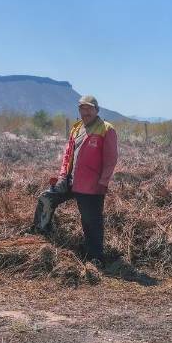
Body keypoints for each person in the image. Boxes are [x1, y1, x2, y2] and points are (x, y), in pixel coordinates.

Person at [32, 94, 118, 265]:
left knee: (90, 220)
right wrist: (63, 176)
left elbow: (111, 159)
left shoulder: (106, 129)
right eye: (82, 108)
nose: (85, 112)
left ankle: (95, 257)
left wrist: (103, 182)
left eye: (89, 108)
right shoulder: (76, 128)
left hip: (91, 185)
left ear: (96, 110)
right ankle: (41, 233)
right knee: (46, 198)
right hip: (70, 181)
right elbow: (67, 155)